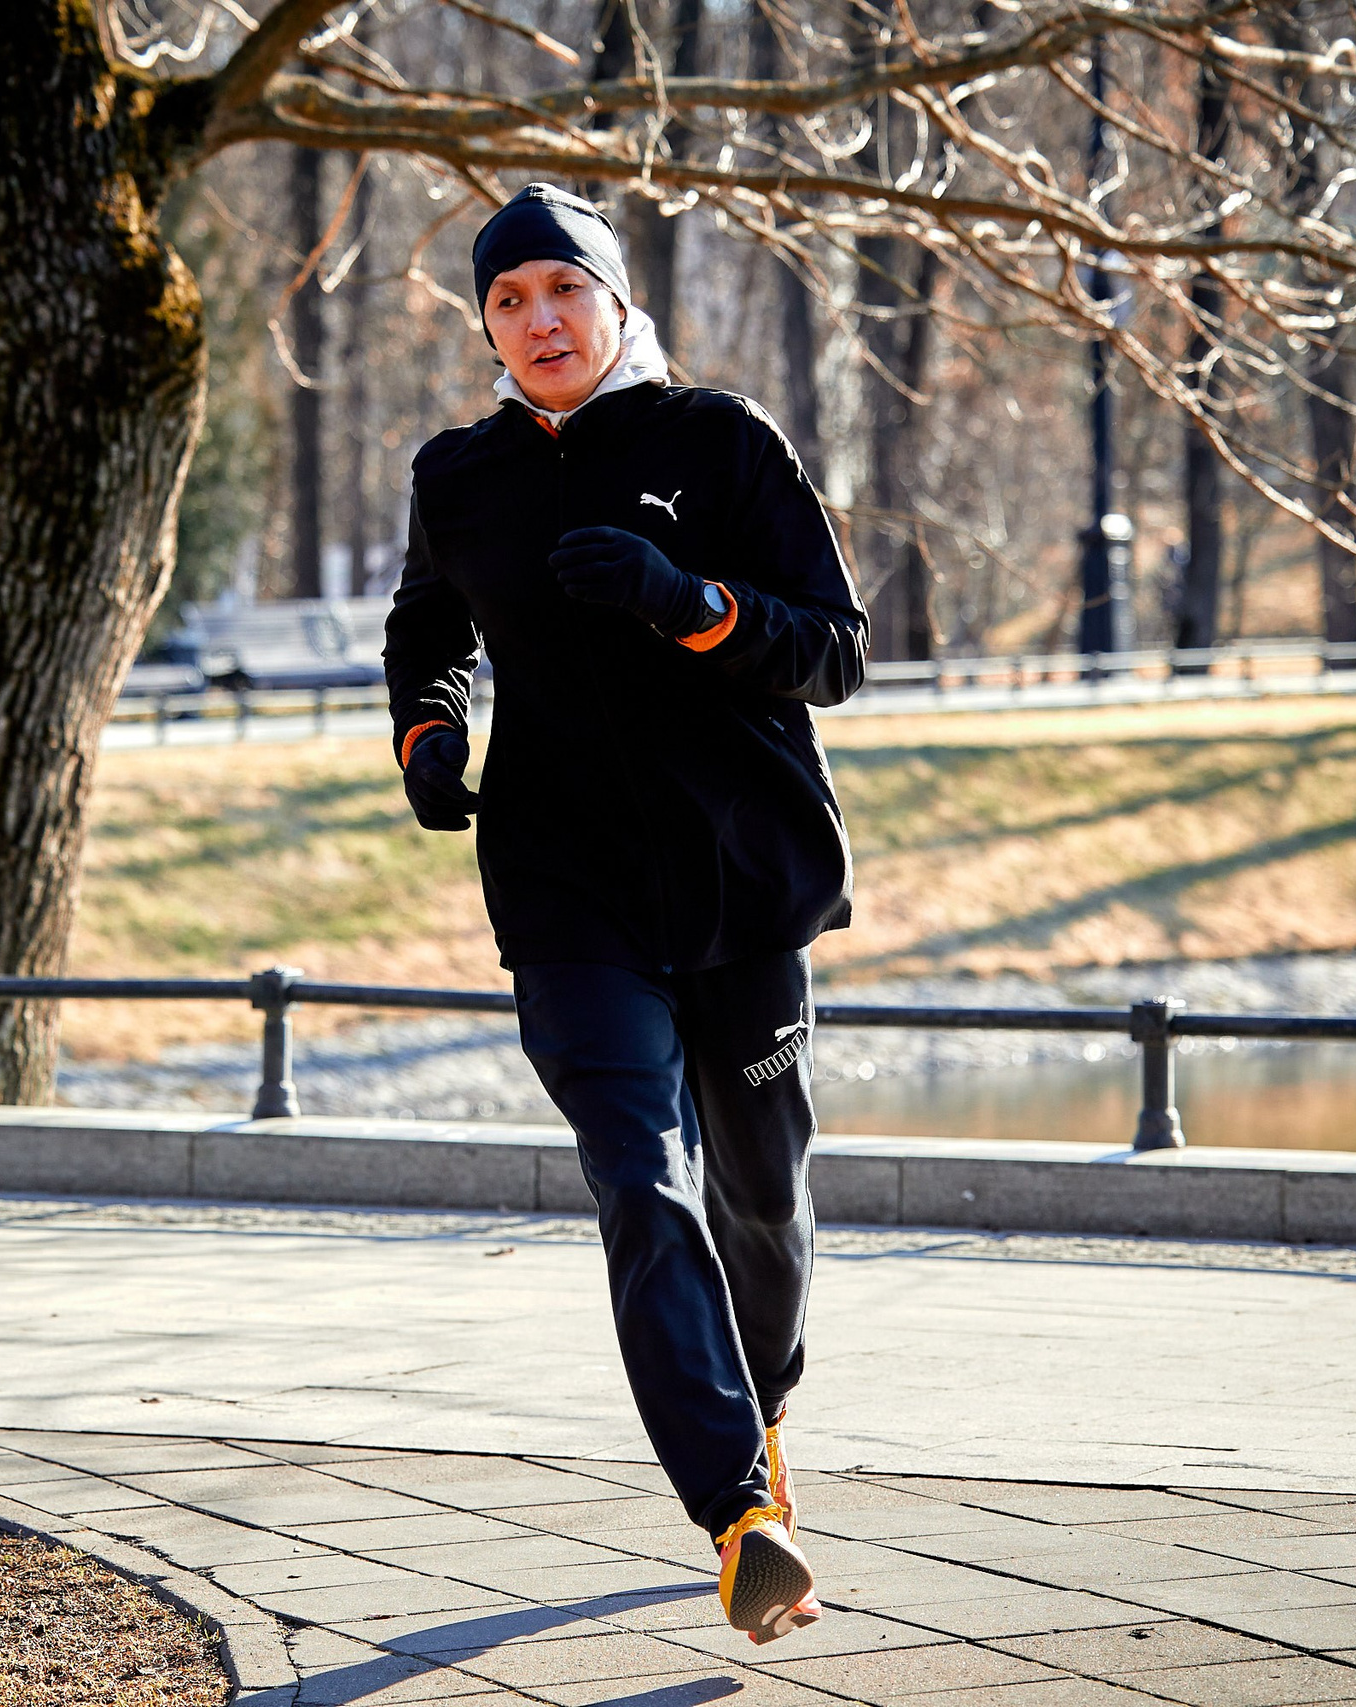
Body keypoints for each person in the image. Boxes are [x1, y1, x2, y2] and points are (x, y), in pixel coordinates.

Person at [381, 183, 868, 1646]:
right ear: (486, 325)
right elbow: (428, 617)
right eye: (509, 300)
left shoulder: (719, 442)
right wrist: (426, 725)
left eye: (562, 291)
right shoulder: (460, 474)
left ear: (615, 300)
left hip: (738, 882)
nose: (539, 320)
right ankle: (739, 1517)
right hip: (564, 888)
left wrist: (692, 602)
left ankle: (765, 1415)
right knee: (638, 1186)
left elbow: (834, 652)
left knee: (762, 1200)